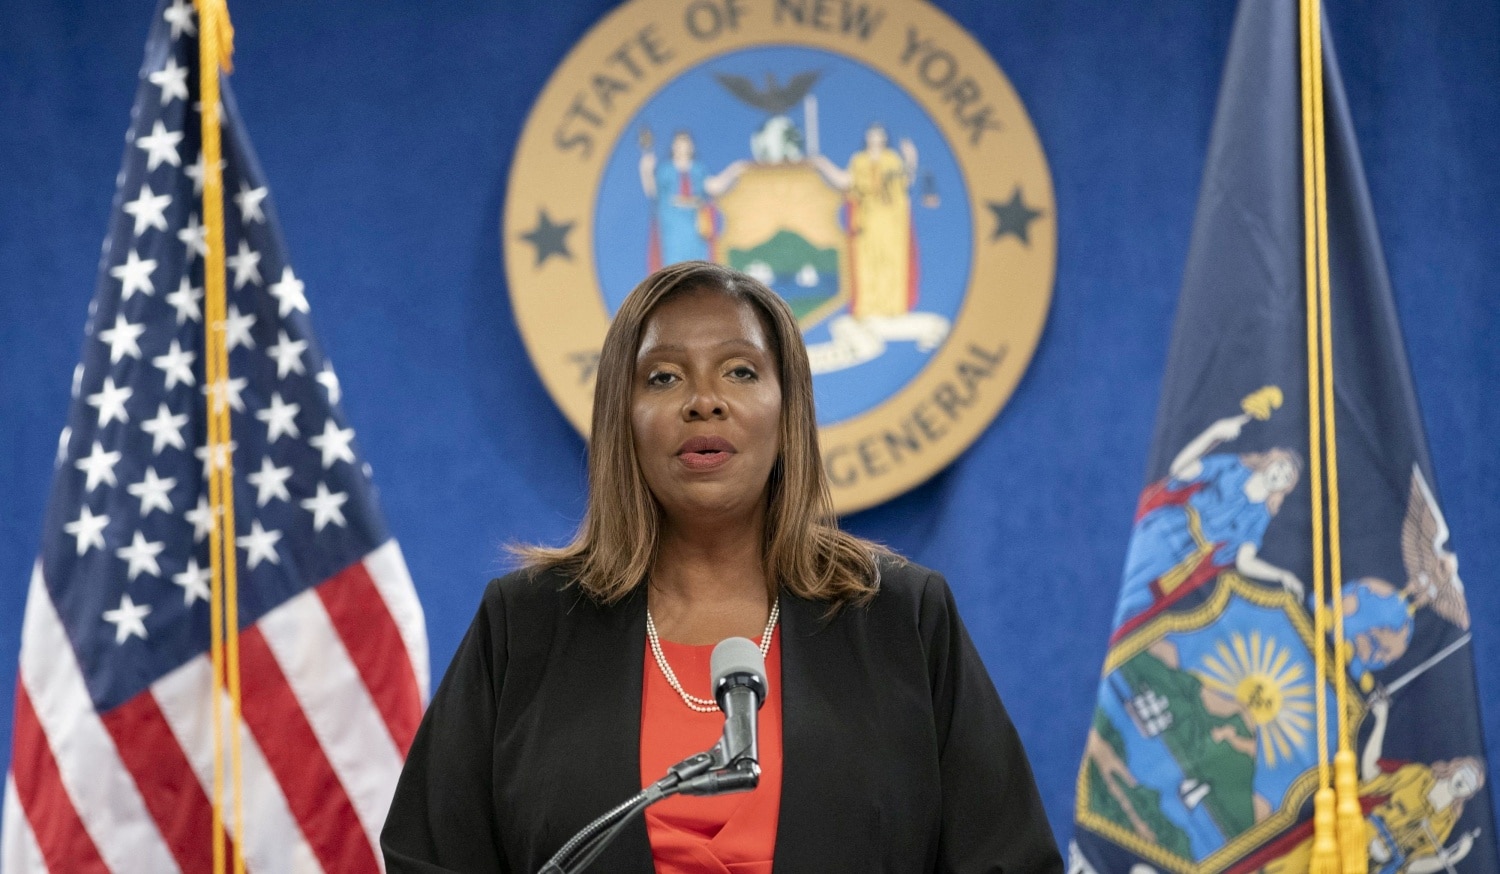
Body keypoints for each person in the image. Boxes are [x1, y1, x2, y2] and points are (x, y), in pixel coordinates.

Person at [381, 261, 1062, 873]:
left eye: (740, 370)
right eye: (664, 376)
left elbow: (1007, 860)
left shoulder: (900, 618)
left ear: (787, 408)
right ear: (624, 416)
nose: (703, 401)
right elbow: (429, 859)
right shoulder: (525, 624)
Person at [812, 123, 919, 320]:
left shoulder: (892, 160)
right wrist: (823, 164)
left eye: (879, 136)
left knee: (891, 260)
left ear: (884, 139)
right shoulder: (859, 161)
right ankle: (869, 306)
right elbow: (845, 181)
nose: (875, 139)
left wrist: (911, 158)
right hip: (867, 221)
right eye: (872, 136)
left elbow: (906, 181)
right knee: (867, 262)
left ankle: (891, 306)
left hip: (890, 222)